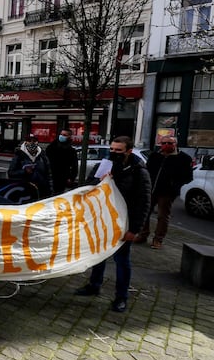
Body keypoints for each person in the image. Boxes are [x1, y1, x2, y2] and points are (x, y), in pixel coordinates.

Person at [75, 136, 151, 312]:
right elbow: (88, 186)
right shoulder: (105, 165)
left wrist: (134, 230)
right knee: (99, 254)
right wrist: (100, 181)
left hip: (124, 223)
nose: (114, 153)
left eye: (119, 150)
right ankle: (94, 285)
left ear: (129, 151)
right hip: (102, 219)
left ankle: (121, 297)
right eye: (112, 149)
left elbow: (144, 202)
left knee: (121, 260)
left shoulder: (139, 172)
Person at [137, 136, 194, 249]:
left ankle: (158, 239)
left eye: (170, 143)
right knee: (144, 213)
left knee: (163, 216)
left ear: (175, 144)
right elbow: (147, 170)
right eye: (163, 143)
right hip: (151, 190)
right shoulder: (155, 155)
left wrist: (174, 185)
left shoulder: (184, 158)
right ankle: (143, 235)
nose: (166, 145)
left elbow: (188, 177)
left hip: (167, 192)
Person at [8, 134, 53, 199]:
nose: (32, 143)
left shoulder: (43, 157)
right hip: (25, 191)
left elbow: (48, 175)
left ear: (37, 142)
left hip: (41, 191)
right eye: (29, 141)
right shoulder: (19, 156)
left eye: (34, 141)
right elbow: (11, 173)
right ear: (25, 142)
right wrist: (24, 171)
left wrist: (50, 191)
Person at [45, 128, 79, 194]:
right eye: (61, 134)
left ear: (69, 136)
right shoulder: (51, 147)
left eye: (64, 135)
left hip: (63, 178)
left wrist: (71, 178)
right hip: (51, 176)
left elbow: (74, 166)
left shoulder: (71, 151)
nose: (61, 136)